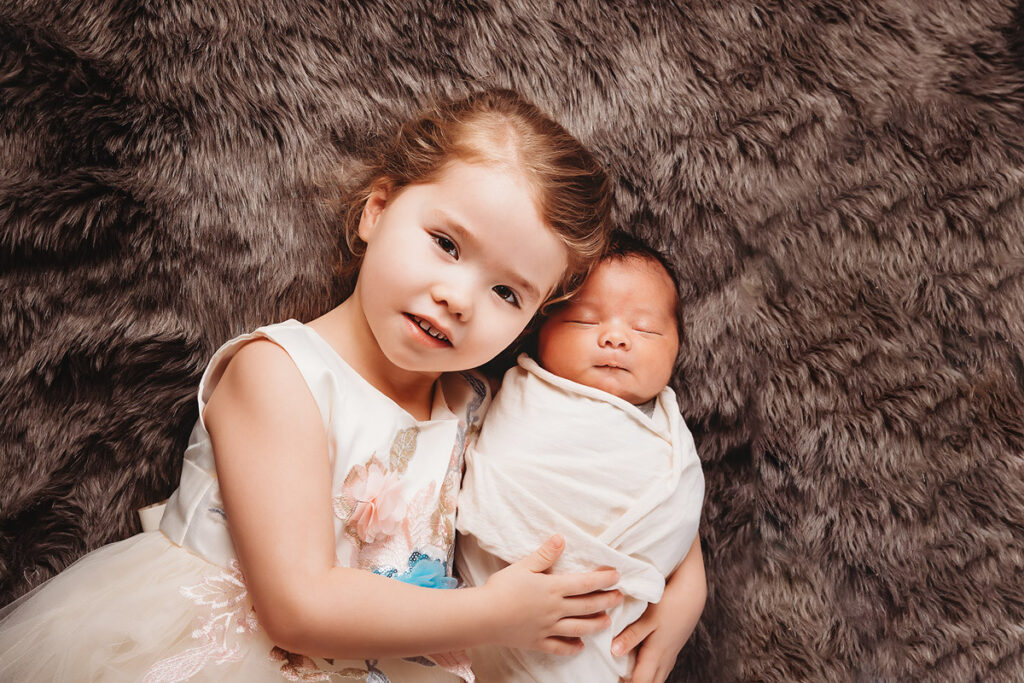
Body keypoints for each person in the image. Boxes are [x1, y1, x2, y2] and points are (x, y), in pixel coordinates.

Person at [0, 89, 624, 683]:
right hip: (233, 650)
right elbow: (296, 608)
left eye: (507, 292)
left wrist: (683, 586)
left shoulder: (476, 402)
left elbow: (604, 457)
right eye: (445, 243)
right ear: (376, 211)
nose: (459, 299)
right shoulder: (279, 373)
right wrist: (497, 615)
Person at [456, 232, 707, 682]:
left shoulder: (669, 436)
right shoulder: (506, 395)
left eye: (645, 329)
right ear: (537, 332)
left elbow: (678, 508)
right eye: (586, 322)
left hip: (605, 643)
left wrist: (690, 584)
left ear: (676, 350)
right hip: (493, 621)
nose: (615, 338)